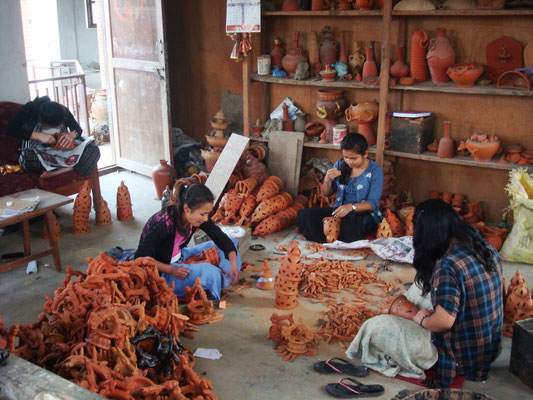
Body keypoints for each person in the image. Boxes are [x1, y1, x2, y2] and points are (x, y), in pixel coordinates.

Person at [411, 199, 503, 387]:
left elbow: (444, 323)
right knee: (416, 291)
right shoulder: (485, 247)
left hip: (461, 358)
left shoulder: (447, 265)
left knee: (377, 328)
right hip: (488, 351)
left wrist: (422, 319)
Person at [134, 183, 241, 301]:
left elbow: (220, 237)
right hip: (163, 270)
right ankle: (219, 279)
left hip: (180, 255)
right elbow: (140, 258)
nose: (206, 219)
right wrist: (171, 270)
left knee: (232, 243)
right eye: (203, 214)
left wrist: (234, 263)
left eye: (207, 214)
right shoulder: (163, 224)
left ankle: (225, 276)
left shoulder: (195, 218)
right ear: (187, 209)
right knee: (210, 272)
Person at [297, 133, 383, 243]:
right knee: (305, 216)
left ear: (365, 154)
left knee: (349, 225)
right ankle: (330, 240)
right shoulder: (340, 165)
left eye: (353, 158)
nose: (349, 162)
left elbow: (372, 203)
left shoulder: (375, 170)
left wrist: (351, 207)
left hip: (363, 214)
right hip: (339, 211)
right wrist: (327, 179)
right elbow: (327, 193)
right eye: (346, 157)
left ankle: (333, 236)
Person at [7, 96, 100, 177]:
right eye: (55, 126)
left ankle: (56, 172)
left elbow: (77, 129)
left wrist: (71, 135)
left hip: (64, 153)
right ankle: (73, 167)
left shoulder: (61, 110)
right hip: (39, 154)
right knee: (28, 160)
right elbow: (10, 130)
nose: (59, 128)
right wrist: (37, 135)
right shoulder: (30, 110)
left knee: (93, 150)